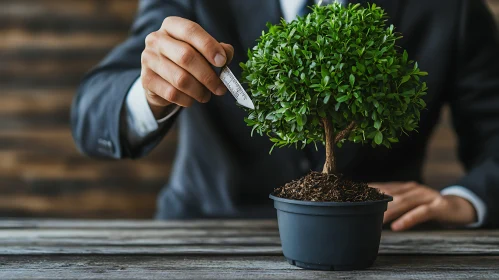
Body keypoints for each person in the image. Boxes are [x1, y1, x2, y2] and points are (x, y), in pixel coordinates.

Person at [71, 0, 499, 229]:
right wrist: (148, 92)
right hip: (207, 234)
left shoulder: (453, 8)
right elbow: (91, 111)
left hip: (379, 243)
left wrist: (467, 200)